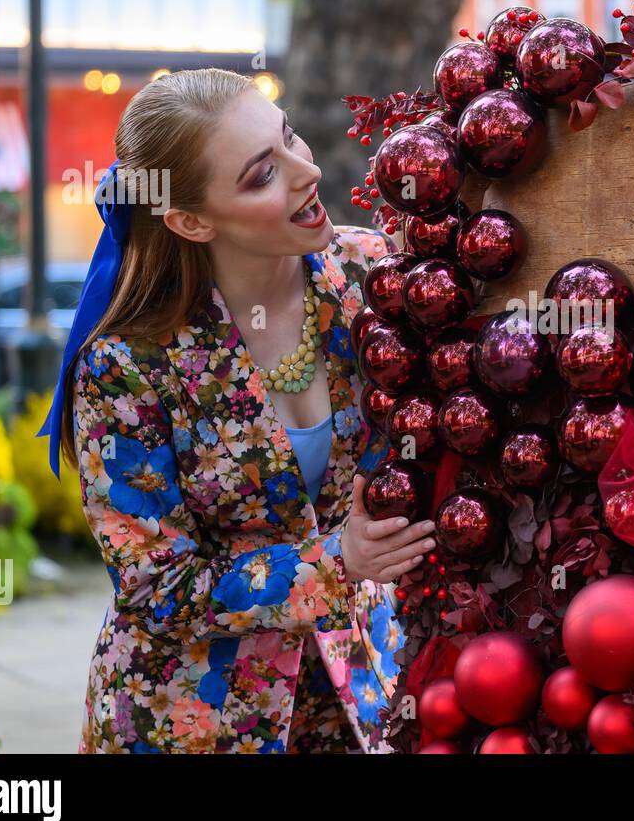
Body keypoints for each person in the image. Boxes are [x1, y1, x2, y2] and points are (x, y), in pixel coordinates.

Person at [38, 68, 430, 753]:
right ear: (191, 219)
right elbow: (157, 587)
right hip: (191, 717)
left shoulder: (375, 274)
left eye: (290, 140)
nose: (306, 171)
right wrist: (337, 562)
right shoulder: (125, 365)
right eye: (261, 175)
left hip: (363, 695)